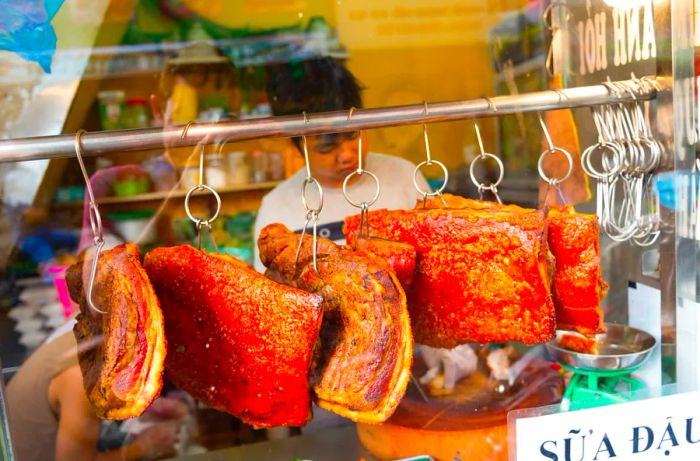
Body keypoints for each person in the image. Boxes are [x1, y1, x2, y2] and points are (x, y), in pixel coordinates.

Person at [253, 57, 431, 272]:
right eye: (327, 148)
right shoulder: (277, 207)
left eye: (352, 135)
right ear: (297, 147)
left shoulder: (404, 175)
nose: (346, 155)